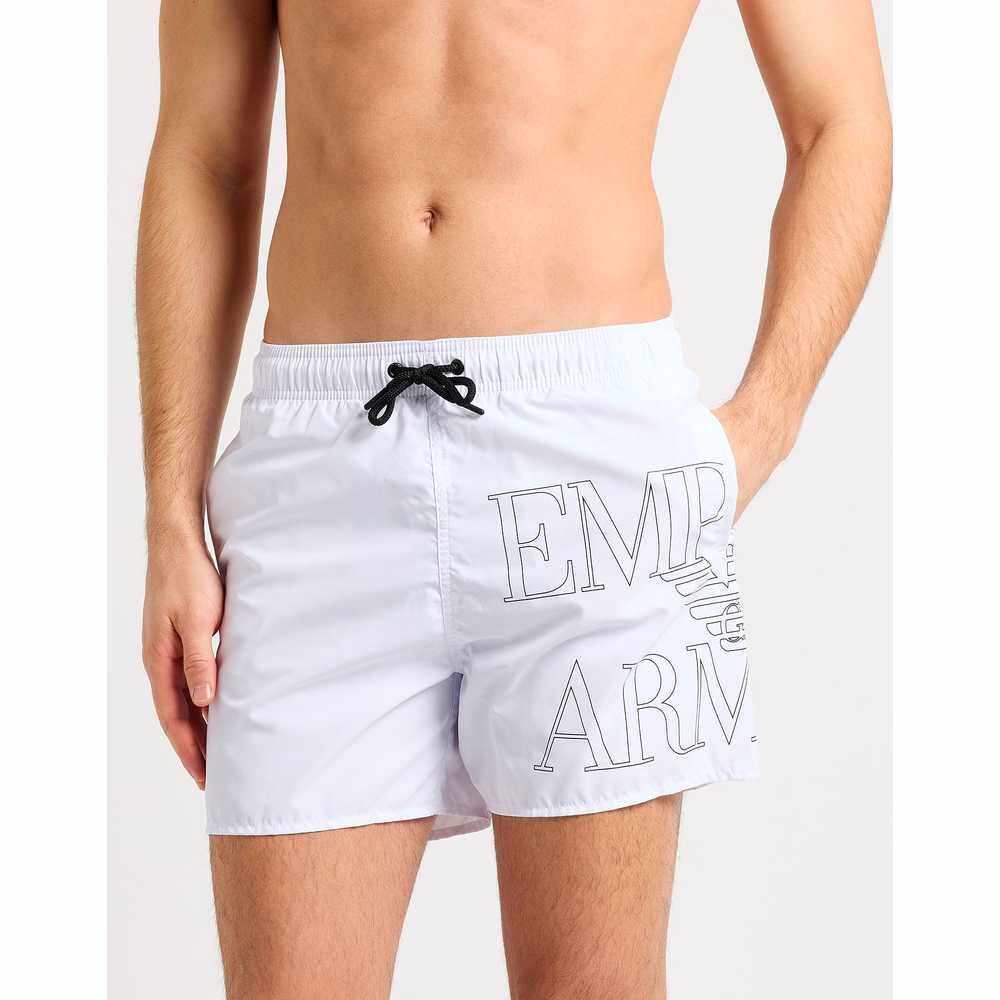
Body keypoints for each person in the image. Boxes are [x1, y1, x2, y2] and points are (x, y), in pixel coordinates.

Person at [136, 1, 890, 996]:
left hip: (595, 454)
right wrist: (168, 517)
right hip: (315, 463)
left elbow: (839, 119)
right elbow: (204, 154)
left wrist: (764, 424)